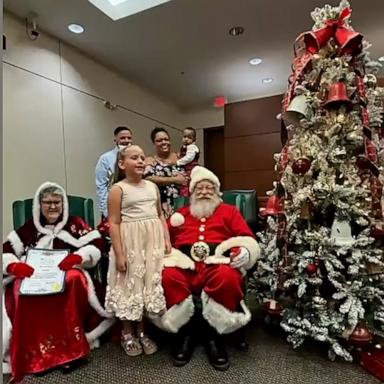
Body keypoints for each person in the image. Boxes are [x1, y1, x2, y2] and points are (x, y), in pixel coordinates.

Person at [2, 182, 115, 382]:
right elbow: (7, 250)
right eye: (47, 203)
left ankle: (70, 352)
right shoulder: (30, 228)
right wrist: (13, 266)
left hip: (67, 274)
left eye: (57, 202)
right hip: (36, 276)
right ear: (39, 205)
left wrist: (79, 257)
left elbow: (97, 242)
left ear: (63, 204)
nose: (53, 206)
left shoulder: (75, 223)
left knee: (73, 280)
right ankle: (38, 355)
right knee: (20, 288)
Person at [152, 166, 260, 371]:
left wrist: (243, 251)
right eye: (199, 188)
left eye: (209, 188)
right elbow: (163, 239)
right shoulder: (181, 214)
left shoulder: (230, 211)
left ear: (217, 192)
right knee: (168, 276)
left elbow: (246, 237)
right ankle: (185, 334)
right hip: (185, 263)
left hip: (217, 261)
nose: (203, 192)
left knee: (227, 277)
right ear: (192, 193)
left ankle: (215, 336)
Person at [105, 145, 172, 357]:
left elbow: (160, 214)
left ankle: (143, 331)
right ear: (122, 163)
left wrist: (166, 237)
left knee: (146, 285)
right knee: (129, 286)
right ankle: (127, 333)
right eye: (135, 158)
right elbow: (114, 223)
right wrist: (120, 254)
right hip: (129, 243)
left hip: (150, 243)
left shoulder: (152, 186)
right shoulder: (118, 189)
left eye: (143, 157)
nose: (141, 161)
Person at [144, 127, 188, 218]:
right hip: (162, 208)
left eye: (166, 139)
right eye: (159, 140)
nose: (164, 142)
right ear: (154, 143)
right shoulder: (150, 161)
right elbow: (147, 179)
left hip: (183, 204)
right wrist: (175, 180)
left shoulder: (181, 158)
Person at [95, 126, 133, 220]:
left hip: (132, 206)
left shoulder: (136, 158)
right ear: (115, 139)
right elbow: (101, 186)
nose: (126, 140)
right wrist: (106, 211)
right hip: (112, 206)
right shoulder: (105, 158)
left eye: (129, 138)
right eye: (122, 138)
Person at [176, 127, 200, 197]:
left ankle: (186, 195)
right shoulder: (185, 147)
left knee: (188, 182)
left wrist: (178, 162)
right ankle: (185, 194)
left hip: (191, 168)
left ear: (194, 140)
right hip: (186, 168)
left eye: (189, 137)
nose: (186, 139)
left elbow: (189, 158)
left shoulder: (192, 147)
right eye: (184, 137)